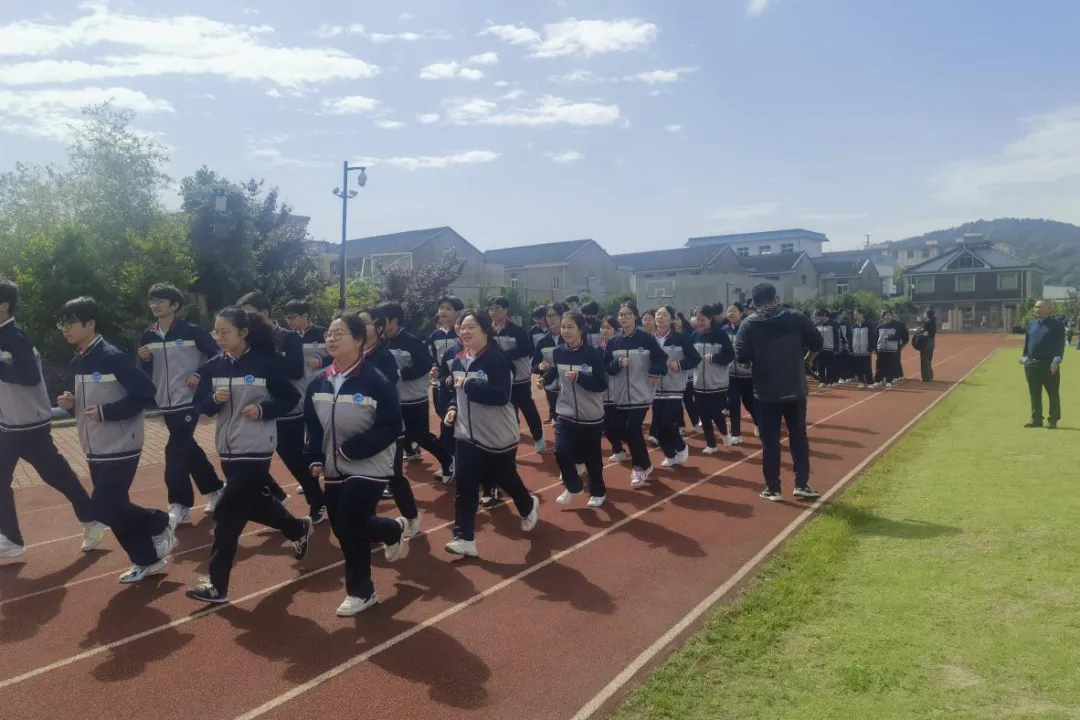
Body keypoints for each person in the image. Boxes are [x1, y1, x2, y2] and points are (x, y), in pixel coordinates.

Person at [186, 307, 312, 604]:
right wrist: (213, 399)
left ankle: (217, 586)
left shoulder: (265, 363)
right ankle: (297, 528)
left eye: (224, 331)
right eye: (215, 331)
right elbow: (201, 407)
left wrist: (263, 409)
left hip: (256, 445)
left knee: (225, 512)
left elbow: (290, 397)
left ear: (243, 332)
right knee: (250, 505)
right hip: (227, 448)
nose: (218, 337)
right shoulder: (214, 366)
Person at [55, 297, 177, 582]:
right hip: (95, 446)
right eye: (62, 324)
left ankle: (160, 521)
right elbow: (92, 402)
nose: (65, 329)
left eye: (71, 323)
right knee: (115, 506)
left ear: (90, 323)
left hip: (122, 444)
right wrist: (72, 404)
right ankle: (146, 559)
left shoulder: (111, 357)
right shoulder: (78, 359)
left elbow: (146, 393)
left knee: (103, 506)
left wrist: (107, 412)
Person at [304, 313, 406, 617]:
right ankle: (390, 529)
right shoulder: (318, 381)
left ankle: (362, 591)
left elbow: (392, 425)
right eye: (329, 334)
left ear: (359, 340)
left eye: (339, 334)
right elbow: (314, 426)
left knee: (350, 520)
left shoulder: (376, 381)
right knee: (344, 527)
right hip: (334, 467)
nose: (331, 339)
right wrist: (315, 457)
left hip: (370, 465)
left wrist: (352, 450)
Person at [0, 281, 104, 559]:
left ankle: (91, 519)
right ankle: (11, 538)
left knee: (55, 474)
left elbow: (29, 376)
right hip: (9, 424)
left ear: (4, 305)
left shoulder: (14, 336)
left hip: (29, 423)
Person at [444, 311, 539, 557]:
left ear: (485, 330)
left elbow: (501, 395)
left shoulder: (497, 359)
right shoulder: (458, 360)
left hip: (497, 436)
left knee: (506, 478)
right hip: (466, 434)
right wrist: (452, 408)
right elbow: (455, 394)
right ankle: (463, 537)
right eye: (462, 328)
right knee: (465, 484)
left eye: (471, 327)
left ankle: (527, 504)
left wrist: (469, 384)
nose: (464, 332)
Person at [137, 283, 224, 528]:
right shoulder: (148, 335)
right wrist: (144, 360)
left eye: (160, 300)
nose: (154, 305)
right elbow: (145, 370)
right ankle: (216, 488)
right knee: (187, 448)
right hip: (166, 402)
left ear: (174, 305)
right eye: (152, 301)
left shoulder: (192, 331)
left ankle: (180, 504)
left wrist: (199, 374)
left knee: (174, 451)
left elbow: (218, 355)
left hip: (189, 400)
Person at [734, 283, 822, 502]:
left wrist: (757, 363)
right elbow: (817, 342)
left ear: (754, 302)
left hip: (766, 391)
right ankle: (802, 484)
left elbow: (742, 358)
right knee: (798, 436)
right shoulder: (796, 317)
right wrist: (807, 360)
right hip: (795, 386)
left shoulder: (748, 324)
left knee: (770, 441)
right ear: (775, 297)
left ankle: (773, 488)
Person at [237, 292, 321, 519]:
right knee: (250, 460)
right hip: (258, 408)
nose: (245, 319)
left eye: (249, 314)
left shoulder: (288, 337)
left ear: (264, 312)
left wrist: (269, 351)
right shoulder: (246, 340)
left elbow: (296, 371)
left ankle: (317, 501)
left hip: (288, 408)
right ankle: (277, 496)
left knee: (294, 459)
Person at [360, 307, 423, 531]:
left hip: (385, 427)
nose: (359, 326)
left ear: (379, 328)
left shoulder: (383, 357)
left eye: (365, 322)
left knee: (393, 475)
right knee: (362, 477)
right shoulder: (356, 354)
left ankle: (411, 516)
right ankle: (366, 525)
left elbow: (387, 391)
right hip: (360, 424)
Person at [380, 302, 454, 481]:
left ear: (394, 320)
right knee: (393, 434)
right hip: (392, 398)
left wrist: (400, 374)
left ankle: (448, 460)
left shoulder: (412, 341)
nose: (379, 325)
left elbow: (425, 365)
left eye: (383, 320)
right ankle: (400, 465)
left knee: (420, 435)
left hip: (413, 397)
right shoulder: (381, 341)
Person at [543, 311, 608, 507]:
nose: (565, 331)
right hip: (566, 412)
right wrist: (544, 379)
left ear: (581, 329)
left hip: (590, 415)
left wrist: (580, 377)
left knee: (592, 458)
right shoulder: (558, 352)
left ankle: (598, 491)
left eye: (570, 327)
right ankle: (573, 486)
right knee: (561, 451)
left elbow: (601, 384)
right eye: (563, 327)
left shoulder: (592, 354)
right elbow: (554, 372)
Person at [606, 305, 668, 487]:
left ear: (635, 317)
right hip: (620, 394)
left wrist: (654, 372)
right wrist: (617, 363)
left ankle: (639, 467)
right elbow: (606, 366)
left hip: (640, 393)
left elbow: (661, 359)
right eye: (621, 315)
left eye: (627, 314)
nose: (623, 317)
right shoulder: (614, 342)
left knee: (632, 429)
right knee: (619, 429)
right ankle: (646, 464)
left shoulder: (646, 339)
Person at [487, 296, 546, 453]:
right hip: (500, 378)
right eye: (490, 309)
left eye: (497, 308)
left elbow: (527, 349)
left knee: (527, 408)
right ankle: (511, 435)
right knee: (507, 408)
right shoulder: (488, 330)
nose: (493, 312)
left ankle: (538, 436)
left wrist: (504, 354)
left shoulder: (516, 330)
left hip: (520, 377)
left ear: (505, 310)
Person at [652, 305, 701, 467]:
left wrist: (679, 365)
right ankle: (670, 455)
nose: (660, 317)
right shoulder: (649, 339)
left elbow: (695, 359)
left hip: (674, 386)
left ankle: (681, 447)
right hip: (654, 388)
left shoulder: (681, 339)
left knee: (667, 422)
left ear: (672, 319)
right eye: (658, 314)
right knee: (658, 428)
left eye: (664, 315)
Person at [692, 303, 736, 452]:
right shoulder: (695, 335)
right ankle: (711, 444)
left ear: (710, 318)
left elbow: (730, 354)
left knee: (716, 412)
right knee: (703, 414)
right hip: (699, 382)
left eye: (702, 319)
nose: (700, 322)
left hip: (717, 382)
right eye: (697, 319)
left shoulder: (720, 335)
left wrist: (714, 357)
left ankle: (724, 432)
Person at [428, 297, 464, 475]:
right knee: (446, 423)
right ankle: (449, 463)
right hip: (444, 385)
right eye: (441, 308)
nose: (443, 312)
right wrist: (435, 367)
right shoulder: (435, 335)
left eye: (448, 308)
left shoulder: (464, 334)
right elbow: (433, 357)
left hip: (463, 387)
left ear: (458, 312)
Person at [1022, 299, 1065, 429]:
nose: (1037, 309)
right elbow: (1027, 342)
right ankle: (1036, 419)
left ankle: (1053, 420)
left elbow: (1060, 343)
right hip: (1032, 365)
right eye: (1035, 307)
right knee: (1034, 393)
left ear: (1049, 309)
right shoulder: (1031, 324)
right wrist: (1025, 357)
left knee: (1052, 393)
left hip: (1049, 365)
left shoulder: (1056, 324)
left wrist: (1056, 359)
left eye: (1040, 307)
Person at [724, 302, 756, 442]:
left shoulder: (749, 328)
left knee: (750, 404)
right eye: (729, 311)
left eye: (734, 311)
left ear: (741, 313)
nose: (730, 313)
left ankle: (758, 422)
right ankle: (736, 434)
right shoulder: (724, 331)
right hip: (731, 375)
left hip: (748, 375)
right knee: (733, 403)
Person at [534, 303, 568, 427]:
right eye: (548, 316)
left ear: (561, 316)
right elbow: (534, 365)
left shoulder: (570, 338)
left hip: (569, 387)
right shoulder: (542, 341)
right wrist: (539, 367)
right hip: (551, 388)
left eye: (554, 316)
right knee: (558, 424)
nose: (551, 319)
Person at [598, 315, 627, 462]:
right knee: (606, 426)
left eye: (608, 328)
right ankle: (618, 450)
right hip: (603, 394)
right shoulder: (598, 348)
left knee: (618, 425)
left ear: (616, 330)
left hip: (619, 392)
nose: (605, 330)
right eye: (603, 328)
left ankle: (630, 447)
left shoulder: (620, 347)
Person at [872, 309, 907, 387]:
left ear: (891, 317)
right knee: (879, 365)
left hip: (891, 349)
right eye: (886, 315)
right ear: (883, 317)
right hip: (881, 348)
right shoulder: (879, 326)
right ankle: (878, 380)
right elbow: (876, 338)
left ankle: (889, 380)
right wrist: (875, 348)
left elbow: (899, 337)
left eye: (889, 315)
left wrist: (890, 337)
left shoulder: (896, 326)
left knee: (890, 365)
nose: (888, 317)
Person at [849, 309, 876, 388]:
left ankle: (870, 382)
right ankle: (861, 381)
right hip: (856, 350)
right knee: (858, 367)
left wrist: (870, 349)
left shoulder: (869, 325)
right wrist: (851, 348)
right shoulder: (853, 326)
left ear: (861, 314)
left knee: (867, 367)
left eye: (856, 314)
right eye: (854, 315)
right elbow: (850, 338)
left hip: (866, 350)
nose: (855, 316)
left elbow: (872, 337)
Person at [813, 308, 839, 388]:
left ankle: (829, 381)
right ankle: (822, 381)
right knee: (820, 366)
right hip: (820, 349)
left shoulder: (833, 324)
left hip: (830, 348)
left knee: (830, 366)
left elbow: (837, 336)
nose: (818, 318)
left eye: (819, 316)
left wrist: (836, 347)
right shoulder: (817, 324)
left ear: (824, 315)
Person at [918, 309, 937, 382]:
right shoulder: (933, 322)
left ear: (927, 314)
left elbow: (926, 334)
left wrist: (919, 332)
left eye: (925, 313)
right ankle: (930, 375)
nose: (923, 314)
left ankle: (926, 377)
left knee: (924, 359)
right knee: (928, 359)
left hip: (926, 342)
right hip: (932, 341)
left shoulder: (927, 323)